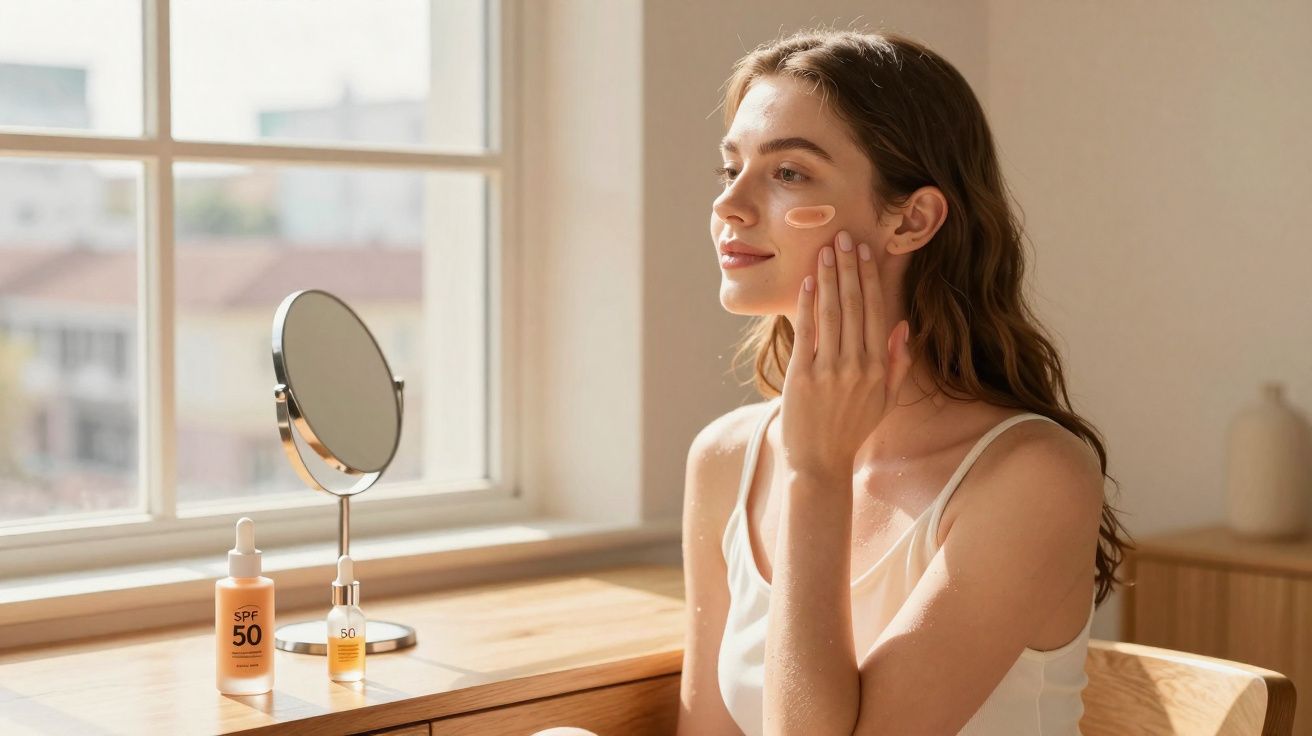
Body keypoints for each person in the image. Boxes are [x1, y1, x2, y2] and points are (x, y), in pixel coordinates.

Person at [680, 27, 1135, 735]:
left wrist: (816, 474)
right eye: (729, 168)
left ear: (912, 218)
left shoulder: (1031, 478)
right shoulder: (724, 459)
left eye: (788, 173)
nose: (729, 207)